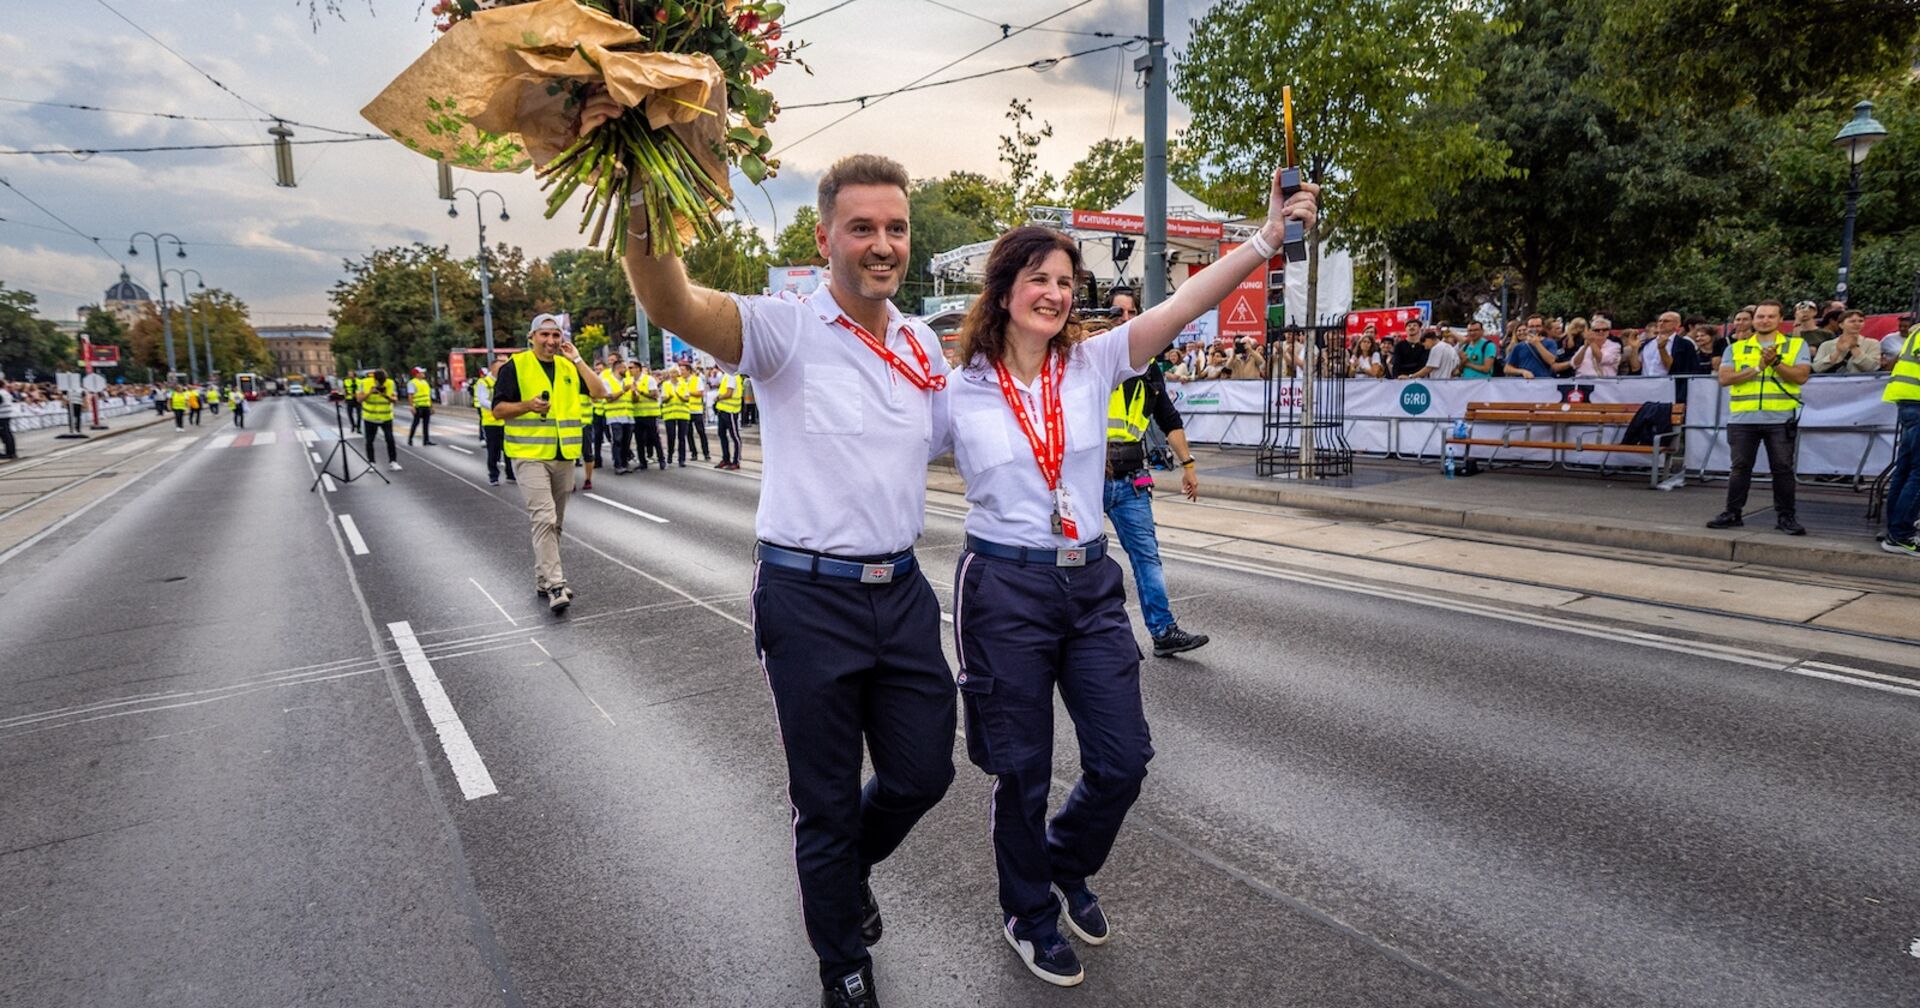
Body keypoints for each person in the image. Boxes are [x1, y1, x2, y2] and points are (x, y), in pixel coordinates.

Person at [594, 104, 958, 1004]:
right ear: (824, 234)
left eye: (897, 228)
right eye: (863, 227)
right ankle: (844, 964)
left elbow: (976, 438)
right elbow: (670, 301)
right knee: (826, 802)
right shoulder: (784, 328)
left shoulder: (921, 344)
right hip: (808, 597)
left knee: (923, 773)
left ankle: (843, 877)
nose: (883, 244)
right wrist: (646, 179)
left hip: (903, 593)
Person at [939, 169, 1317, 989]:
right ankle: (1028, 912)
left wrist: (1262, 239)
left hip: (1088, 582)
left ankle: (1064, 864)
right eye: (1038, 277)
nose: (1053, 292)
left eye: (1066, 281)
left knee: (1123, 760)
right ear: (1004, 288)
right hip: (1002, 589)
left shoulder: (1095, 360)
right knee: (1023, 769)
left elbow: (1184, 306)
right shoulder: (955, 385)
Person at [1103, 289, 1209, 657]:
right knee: (1069, 558)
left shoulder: (1148, 368)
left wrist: (1189, 465)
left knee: (1147, 558)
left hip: (1131, 480)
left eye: (1133, 312)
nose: (1126, 319)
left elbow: (1168, 418)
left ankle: (1163, 631)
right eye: (1118, 312)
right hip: (1084, 480)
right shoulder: (1090, 357)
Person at [489, 314, 609, 612]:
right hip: (529, 456)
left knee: (555, 522)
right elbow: (497, 410)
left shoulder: (568, 367)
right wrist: (527, 405)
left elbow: (599, 392)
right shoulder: (515, 367)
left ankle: (543, 579)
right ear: (531, 338)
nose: (551, 341)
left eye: (556, 335)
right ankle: (556, 585)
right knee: (544, 517)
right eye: (544, 335)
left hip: (564, 455)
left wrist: (579, 359)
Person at [1707, 300, 1809, 535]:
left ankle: (1786, 517)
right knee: (1740, 467)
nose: (1765, 320)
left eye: (1771, 316)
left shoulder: (1795, 345)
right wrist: (1758, 368)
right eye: (1761, 316)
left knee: (1782, 469)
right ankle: (1732, 513)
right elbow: (1725, 379)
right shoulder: (1735, 348)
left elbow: (1801, 376)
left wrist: (1776, 363)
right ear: (1754, 320)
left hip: (1781, 418)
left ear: (1779, 320)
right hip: (1743, 418)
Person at [1879, 319, 1920, 556]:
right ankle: (1900, 534)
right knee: (1916, 472)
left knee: (1905, 469)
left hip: (1909, 402)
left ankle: (1895, 528)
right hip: (1916, 402)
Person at [476, 357, 517, 485]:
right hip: (491, 422)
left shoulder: (505, 381)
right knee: (493, 451)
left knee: (508, 450)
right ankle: (493, 476)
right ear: (492, 368)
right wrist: (497, 407)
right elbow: (482, 401)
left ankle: (510, 475)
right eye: (500, 368)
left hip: (505, 421)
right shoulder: (484, 382)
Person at [357, 369, 402, 471]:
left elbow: (395, 400)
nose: (382, 383)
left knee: (390, 440)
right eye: (380, 381)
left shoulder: (390, 383)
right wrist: (370, 392)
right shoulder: (365, 382)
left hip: (386, 417)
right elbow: (359, 399)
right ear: (375, 379)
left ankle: (393, 462)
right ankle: (371, 463)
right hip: (370, 417)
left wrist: (385, 395)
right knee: (369, 441)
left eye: (383, 381)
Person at [1810, 310, 1881, 374]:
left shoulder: (1872, 343)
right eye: (1852, 321)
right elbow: (1817, 368)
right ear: (1841, 325)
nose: (1857, 324)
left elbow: (1873, 368)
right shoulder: (1826, 345)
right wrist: (1837, 353)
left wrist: (1854, 348)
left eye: (1860, 321)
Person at [603, 359, 637, 474]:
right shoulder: (608, 381)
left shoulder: (627, 381)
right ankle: (618, 465)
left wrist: (634, 392)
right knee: (617, 440)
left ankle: (624, 463)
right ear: (618, 369)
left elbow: (635, 400)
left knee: (626, 442)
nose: (626, 370)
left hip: (628, 416)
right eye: (624, 368)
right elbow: (609, 397)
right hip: (615, 416)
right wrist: (623, 390)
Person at [633, 363, 666, 470]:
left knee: (654, 438)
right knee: (639, 440)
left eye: (631, 368)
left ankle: (661, 460)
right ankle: (642, 462)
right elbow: (634, 399)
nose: (629, 370)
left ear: (638, 369)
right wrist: (634, 394)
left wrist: (640, 391)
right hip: (637, 414)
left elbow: (654, 394)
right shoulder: (630, 381)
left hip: (650, 414)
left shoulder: (649, 379)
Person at [658, 361, 691, 467]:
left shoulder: (684, 384)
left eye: (675, 372)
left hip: (682, 414)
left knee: (682, 438)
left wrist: (679, 396)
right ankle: (670, 456)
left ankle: (682, 459)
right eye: (671, 373)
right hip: (670, 414)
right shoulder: (666, 384)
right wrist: (669, 398)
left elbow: (686, 398)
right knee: (671, 436)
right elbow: (663, 398)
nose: (673, 375)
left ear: (678, 374)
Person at [713, 366, 745, 469]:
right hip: (723, 410)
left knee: (734, 436)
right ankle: (726, 459)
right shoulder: (727, 375)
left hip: (730, 411)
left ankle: (736, 461)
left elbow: (729, 393)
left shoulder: (732, 375)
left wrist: (718, 398)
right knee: (722, 434)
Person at [684, 363, 712, 462]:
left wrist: (688, 391)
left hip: (696, 411)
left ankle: (706, 453)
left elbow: (699, 393)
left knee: (701, 432)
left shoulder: (696, 379)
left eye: (683, 370)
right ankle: (693, 453)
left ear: (688, 371)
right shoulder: (681, 381)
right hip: (686, 411)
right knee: (688, 433)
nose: (681, 373)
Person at [406, 367, 436, 445]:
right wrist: (411, 406)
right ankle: (410, 439)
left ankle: (426, 440)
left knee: (426, 424)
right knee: (416, 423)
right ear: (417, 374)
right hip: (418, 406)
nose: (423, 374)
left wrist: (432, 406)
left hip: (426, 406)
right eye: (421, 372)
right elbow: (410, 395)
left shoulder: (425, 382)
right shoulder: (412, 382)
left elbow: (428, 395)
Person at [0, 378, 16, 460]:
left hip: (1, 416)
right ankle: (11, 452)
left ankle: (10, 453)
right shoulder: (6, 393)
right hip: (6, 415)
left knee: (5, 435)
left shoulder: (1, 393)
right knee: (7, 434)